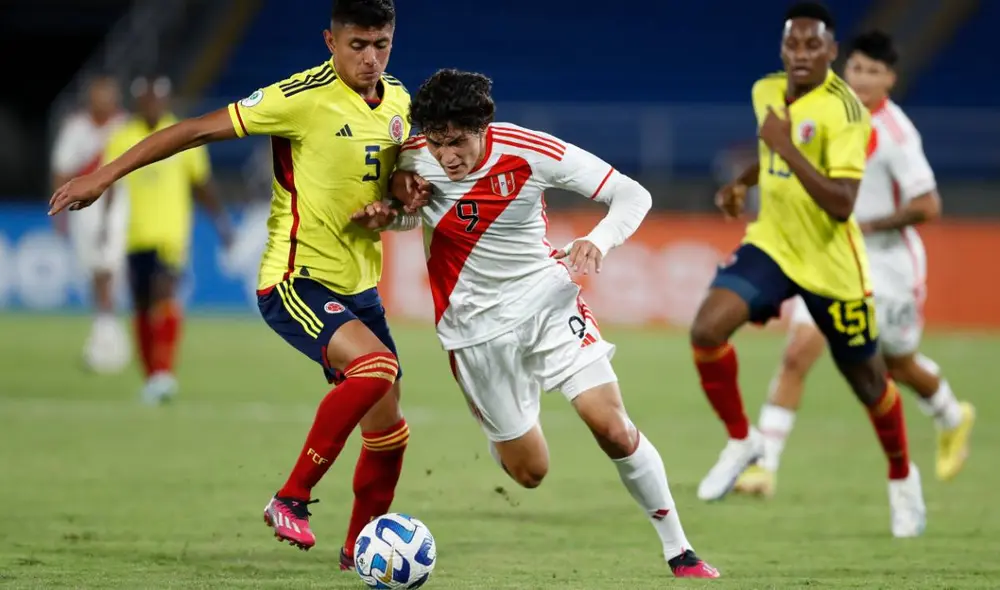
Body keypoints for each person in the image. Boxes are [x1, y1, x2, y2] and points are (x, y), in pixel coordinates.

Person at [49, 0, 410, 566]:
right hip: (296, 281)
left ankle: (359, 553)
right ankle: (290, 498)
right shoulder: (298, 98)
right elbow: (193, 130)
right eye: (357, 45)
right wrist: (104, 173)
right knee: (377, 368)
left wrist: (393, 206)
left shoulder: (399, 102)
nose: (370, 58)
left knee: (390, 428)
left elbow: (401, 188)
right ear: (330, 41)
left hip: (362, 286)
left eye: (381, 44)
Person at [363, 68, 719, 578]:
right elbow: (405, 215)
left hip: (547, 306)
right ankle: (501, 417)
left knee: (612, 428)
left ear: (483, 126)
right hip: (474, 334)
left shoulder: (530, 151)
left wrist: (599, 239)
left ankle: (680, 551)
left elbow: (632, 194)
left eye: (458, 142)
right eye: (438, 143)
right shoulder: (413, 158)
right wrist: (389, 215)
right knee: (530, 472)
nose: (447, 157)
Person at [689, 2, 926, 537]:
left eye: (812, 45)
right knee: (706, 330)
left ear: (831, 51)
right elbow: (768, 152)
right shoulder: (765, 91)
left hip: (831, 262)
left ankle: (902, 477)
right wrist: (744, 183)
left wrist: (784, 145)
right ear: (782, 49)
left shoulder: (848, 113)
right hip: (773, 245)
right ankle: (742, 441)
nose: (801, 54)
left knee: (868, 381)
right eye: (792, 45)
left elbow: (842, 202)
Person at [734, 30, 975, 499]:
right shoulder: (822, 111)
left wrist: (867, 226)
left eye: (873, 72)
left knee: (895, 366)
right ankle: (763, 468)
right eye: (857, 68)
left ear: (890, 79)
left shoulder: (897, 134)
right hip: (830, 258)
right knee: (797, 352)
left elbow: (928, 205)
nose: (861, 80)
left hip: (888, 268)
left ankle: (952, 415)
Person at [99, 74, 232, 403]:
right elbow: (110, 183)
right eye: (147, 99)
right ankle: (151, 376)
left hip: (170, 236)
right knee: (142, 304)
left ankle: (164, 372)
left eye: (158, 99)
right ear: (139, 102)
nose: (153, 105)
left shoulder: (181, 136)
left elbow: (202, 184)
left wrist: (222, 223)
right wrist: (104, 226)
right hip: (134, 236)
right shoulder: (122, 136)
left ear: (166, 101)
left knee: (164, 297)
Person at [51, 74, 129, 373]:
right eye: (100, 95)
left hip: (119, 202)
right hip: (83, 208)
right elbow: (61, 168)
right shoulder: (76, 127)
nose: (105, 101)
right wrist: (58, 208)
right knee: (96, 270)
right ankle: (108, 334)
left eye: (109, 95)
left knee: (109, 269)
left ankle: (106, 338)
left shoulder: (124, 126)